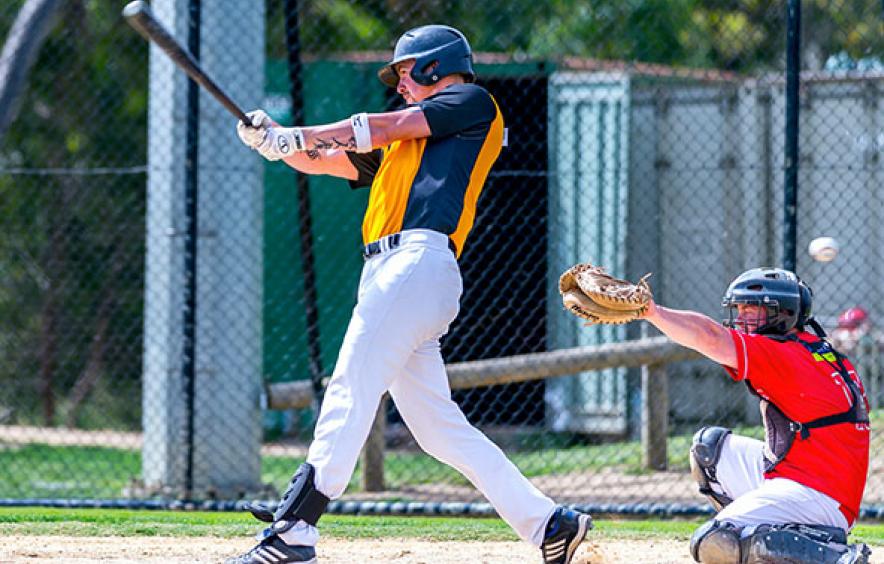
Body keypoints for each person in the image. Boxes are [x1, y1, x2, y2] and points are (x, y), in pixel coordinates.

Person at [227, 24, 592, 564]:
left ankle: (296, 527)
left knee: (350, 387)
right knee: (438, 430)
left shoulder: (469, 101)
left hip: (416, 262)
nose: (399, 83)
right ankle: (550, 525)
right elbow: (327, 157)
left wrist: (298, 133)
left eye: (404, 71)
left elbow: (385, 124)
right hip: (394, 274)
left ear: (432, 65)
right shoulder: (402, 146)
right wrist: (276, 143)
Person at [641, 267, 871, 563]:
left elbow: (710, 336)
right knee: (708, 449)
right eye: (739, 308)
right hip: (803, 475)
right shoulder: (811, 347)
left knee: (715, 542)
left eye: (753, 309)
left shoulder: (784, 354)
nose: (742, 316)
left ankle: (833, 556)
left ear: (783, 314)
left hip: (818, 496)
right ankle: (768, 531)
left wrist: (653, 312)